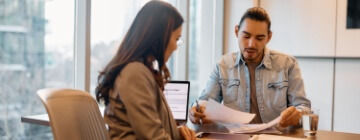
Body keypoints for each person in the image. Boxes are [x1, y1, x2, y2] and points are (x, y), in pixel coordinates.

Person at [189, 7, 311, 128]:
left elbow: (303, 106)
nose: (251, 44)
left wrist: (298, 114)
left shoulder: (288, 64)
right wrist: (198, 108)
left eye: (259, 38)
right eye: (246, 36)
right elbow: (205, 100)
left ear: (269, 37)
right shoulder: (223, 65)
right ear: (237, 31)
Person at [95, 1, 195, 139]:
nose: (176, 47)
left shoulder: (138, 70)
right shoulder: (135, 73)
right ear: (160, 37)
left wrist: (178, 134)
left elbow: (149, 129)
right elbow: (153, 137)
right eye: (176, 39)